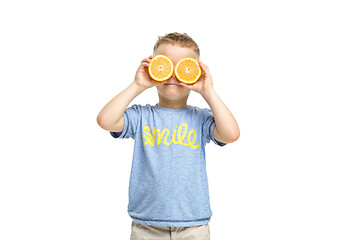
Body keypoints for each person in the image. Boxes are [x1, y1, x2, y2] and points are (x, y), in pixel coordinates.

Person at [97, 32, 240, 240]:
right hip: (147, 225)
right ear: (154, 68)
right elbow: (105, 120)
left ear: (195, 71)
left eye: (183, 66)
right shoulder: (142, 116)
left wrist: (208, 91)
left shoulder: (200, 118)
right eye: (166, 65)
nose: (172, 74)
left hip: (194, 225)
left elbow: (231, 134)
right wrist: (137, 85)